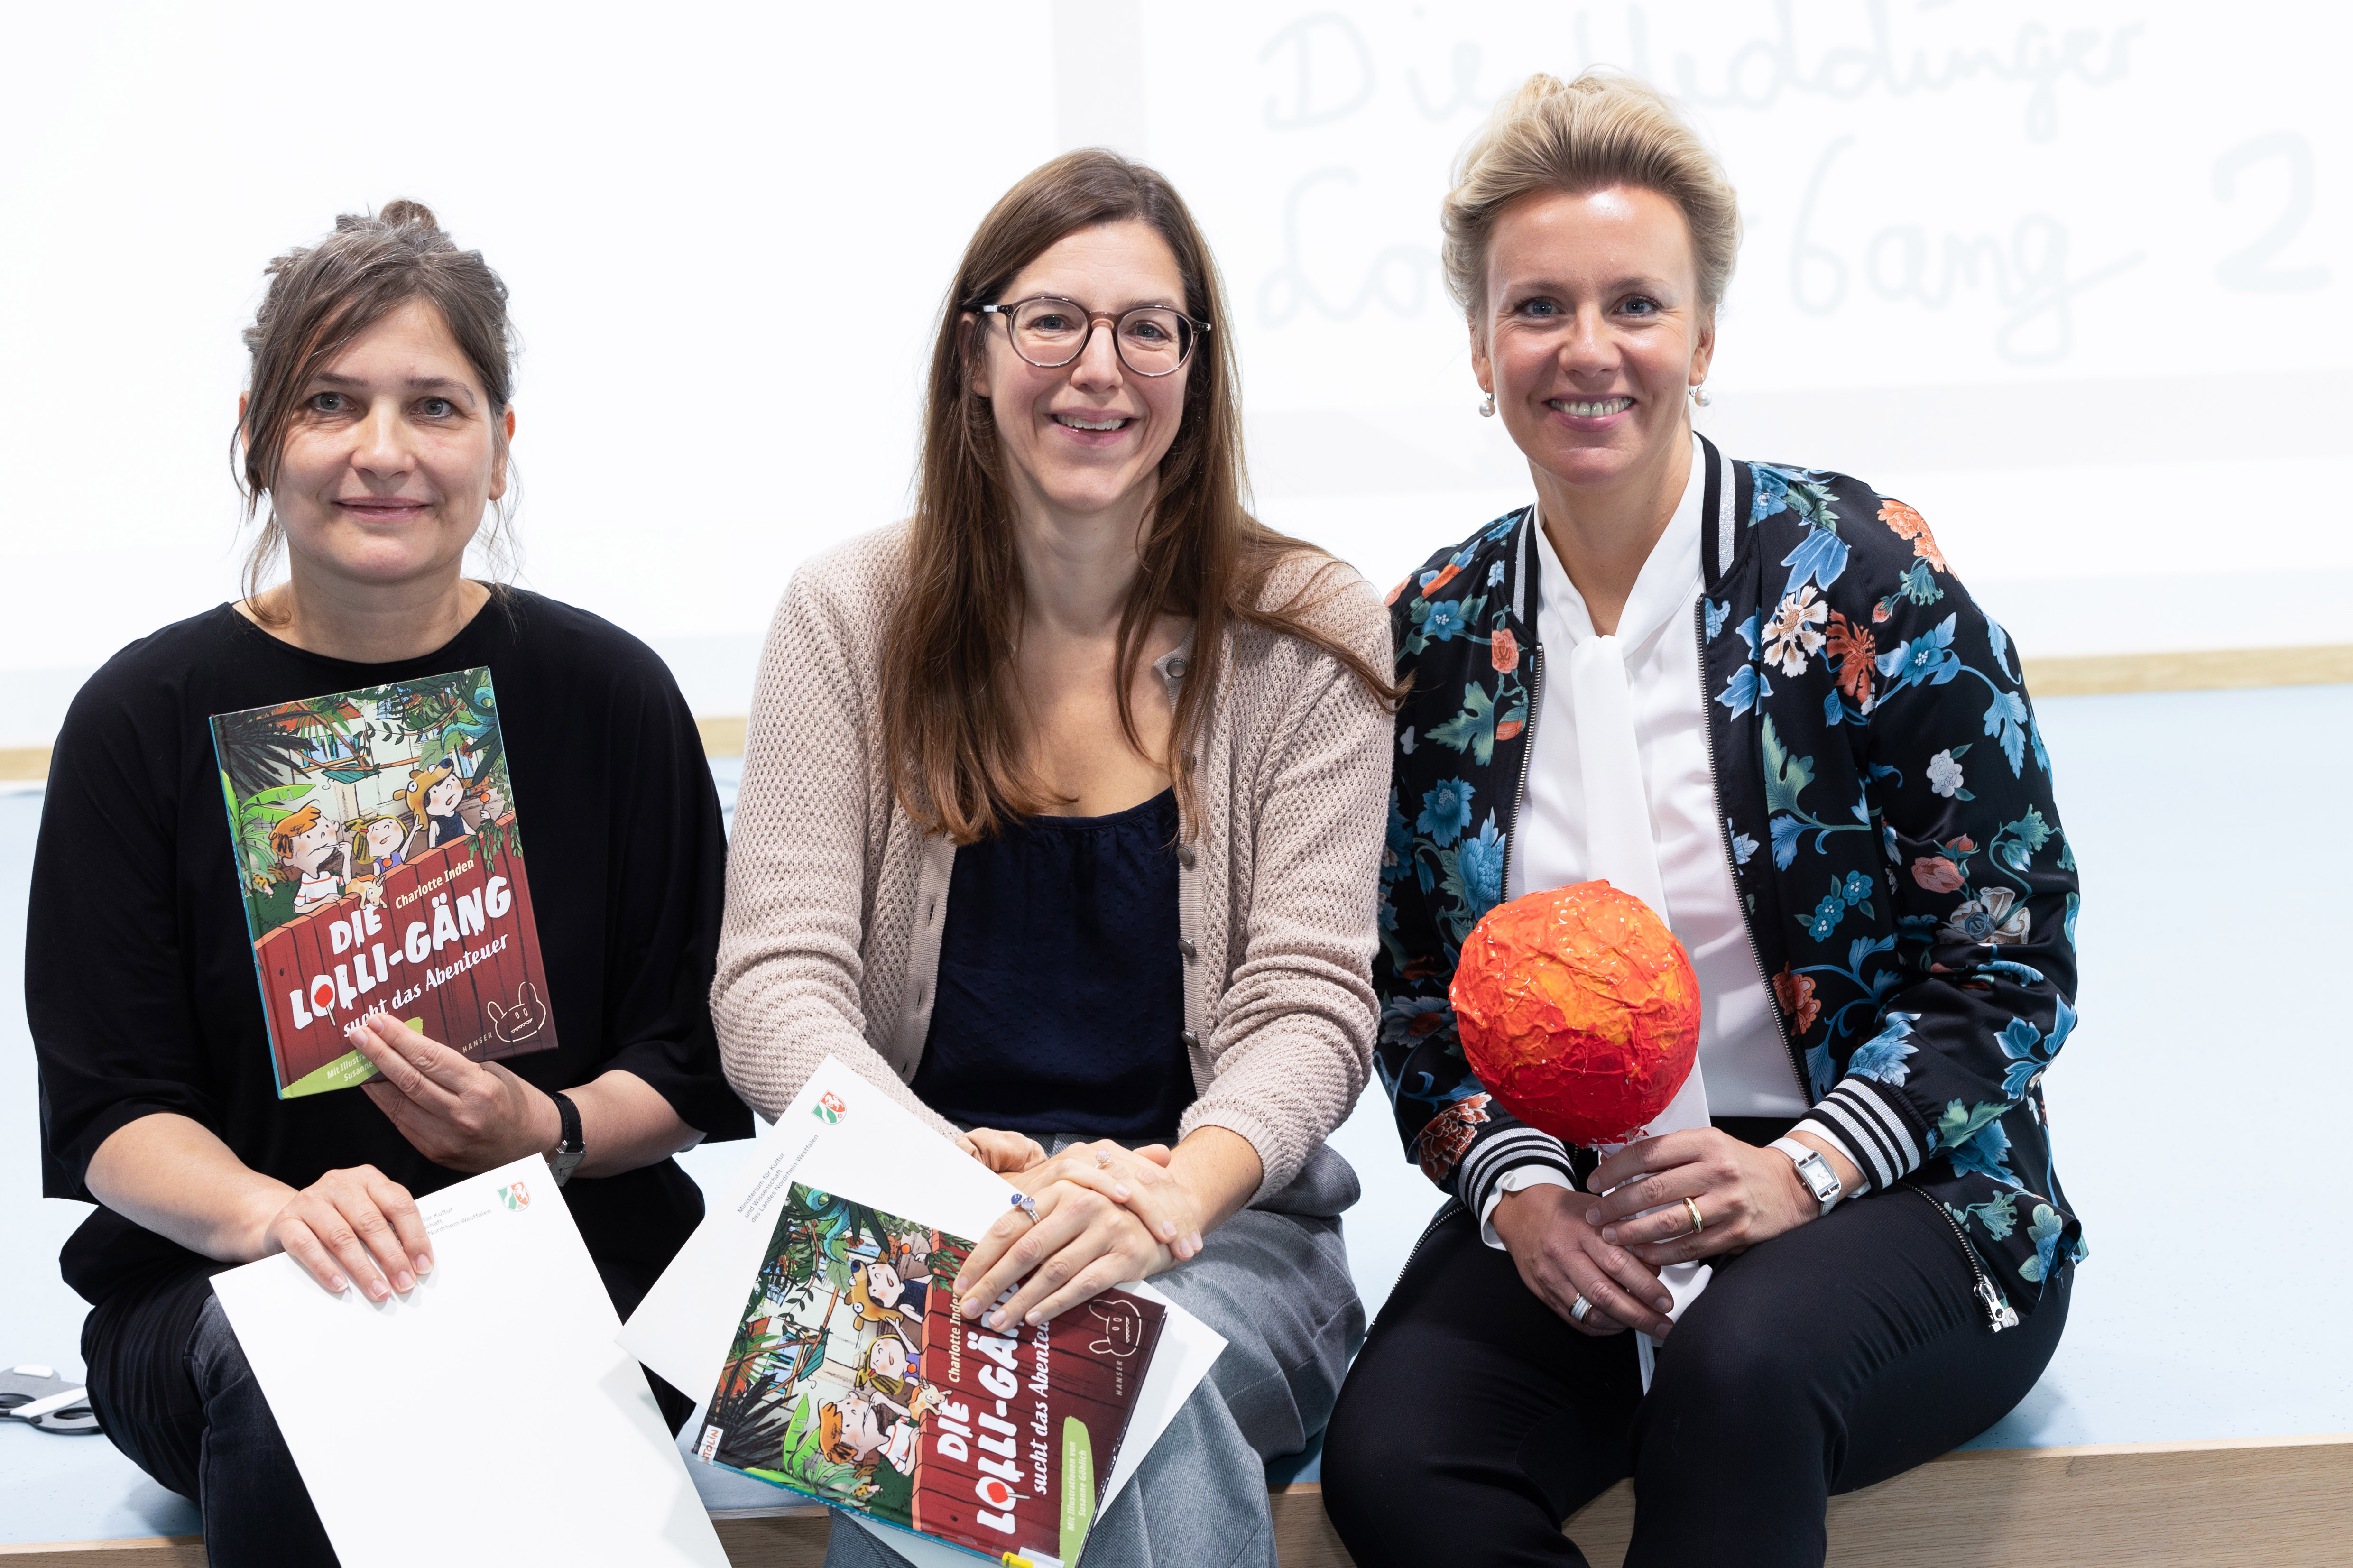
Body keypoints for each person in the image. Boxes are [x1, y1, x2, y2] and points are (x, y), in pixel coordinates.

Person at [1322, 72, 2084, 1568]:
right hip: (1585, 1197)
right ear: (1480, 351)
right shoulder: (1433, 633)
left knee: (1738, 1376)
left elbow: (2009, 968)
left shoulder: (1871, 588)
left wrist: (1795, 1167)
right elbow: (1411, 989)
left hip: (1908, 1188)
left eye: (1634, 305)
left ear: (1704, 338)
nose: (1586, 349)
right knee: (1399, 1461)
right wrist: (1519, 1190)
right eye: (1538, 307)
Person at [28, 200, 749, 1567]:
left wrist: (548, 1125)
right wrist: (273, 1214)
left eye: (433, 405)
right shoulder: (138, 715)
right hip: (222, 1295)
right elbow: (112, 1114)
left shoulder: (610, 695)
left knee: (502, 1367)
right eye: (330, 403)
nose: (381, 453)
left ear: (498, 443)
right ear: (259, 435)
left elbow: (698, 1067)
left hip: (580, 1266)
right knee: (321, 1364)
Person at [711, 148, 1396, 1568]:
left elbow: (1310, 1010)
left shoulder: (1306, 627)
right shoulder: (850, 611)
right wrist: (953, 1191)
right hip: (909, 1208)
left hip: (1223, 1239)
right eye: (1052, 321)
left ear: (1195, 369)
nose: (1101, 366)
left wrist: (1157, 1199)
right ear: (976, 353)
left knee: (1120, 1372)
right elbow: (776, 984)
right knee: (1025, 1381)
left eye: (1149, 327)